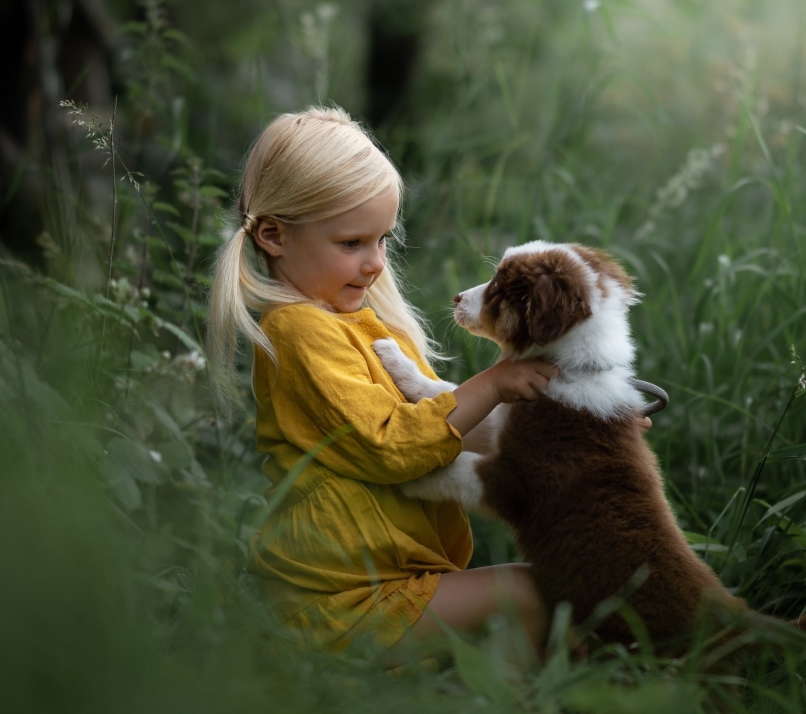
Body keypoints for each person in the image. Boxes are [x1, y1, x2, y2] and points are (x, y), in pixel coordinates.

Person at [207, 106, 558, 653]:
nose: (374, 263)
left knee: (549, 595)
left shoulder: (354, 326)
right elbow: (396, 443)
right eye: (352, 244)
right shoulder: (299, 330)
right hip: (339, 606)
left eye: (382, 241)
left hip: (383, 583)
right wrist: (492, 383)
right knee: (533, 594)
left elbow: (445, 432)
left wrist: (570, 427)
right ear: (274, 236)